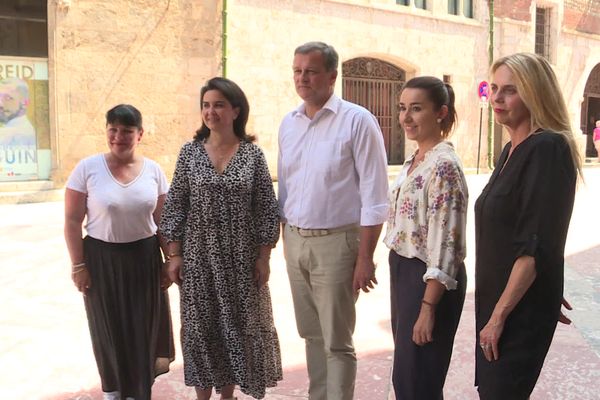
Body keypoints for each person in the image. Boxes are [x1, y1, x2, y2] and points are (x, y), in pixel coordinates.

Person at [278, 41, 389, 400]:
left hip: (338, 245)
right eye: (297, 70)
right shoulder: (289, 124)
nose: (302, 78)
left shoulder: (357, 121)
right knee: (311, 335)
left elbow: (375, 198)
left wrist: (364, 258)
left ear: (331, 76)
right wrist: (285, 240)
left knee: (337, 341)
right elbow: (287, 187)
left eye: (310, 71)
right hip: (295, 242)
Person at [160, 77, 282, 400]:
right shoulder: (189, 153)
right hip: (198, 260)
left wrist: (263, 257)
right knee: (202, 331)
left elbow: (266, 210)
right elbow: (175, 206)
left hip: (241, 261)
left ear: (236, 110)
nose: (210, 111)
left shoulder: (252, 156)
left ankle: (227, 397)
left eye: (219, 105)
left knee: (235, 330)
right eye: (206, 105)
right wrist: (174, 255)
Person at [474, 52, 580, 399]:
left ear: (535, 93)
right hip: (505, 298)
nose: (497, 99)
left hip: (515, 311)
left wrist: (500, 315)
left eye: (510, 90)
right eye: (494, 88)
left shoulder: (546, 147)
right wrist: (542, 276)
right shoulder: (510, 150)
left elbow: (534, 242)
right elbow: (529, 229)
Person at [64, 104, 175, 400]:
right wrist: (78, 266)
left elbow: (162, 222)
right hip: (101, 262)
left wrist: (169, 261)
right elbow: (73, 222)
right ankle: (113, 392)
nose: (118, 136)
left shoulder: (153, 171)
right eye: (112, 129)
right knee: (108, 330)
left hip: (145, 260)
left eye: (126, 131)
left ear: (139, 134)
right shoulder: (87, 169)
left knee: (143, 329)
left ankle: (140, 391)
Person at [384, 76, 468, 399]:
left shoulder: (443, 166)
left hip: (428, 282)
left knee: (418, 381)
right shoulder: (417, 159)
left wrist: (428, 306)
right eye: (402, 108)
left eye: (416, 109)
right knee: (408, 376)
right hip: (405, 273)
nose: (405, 117)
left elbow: (447, 243)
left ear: (441, 113)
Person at [0, 77, 36, 146]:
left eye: (8, 98)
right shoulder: (27, 127)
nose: (0, 104)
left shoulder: (9, 135)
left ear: (25, 103)